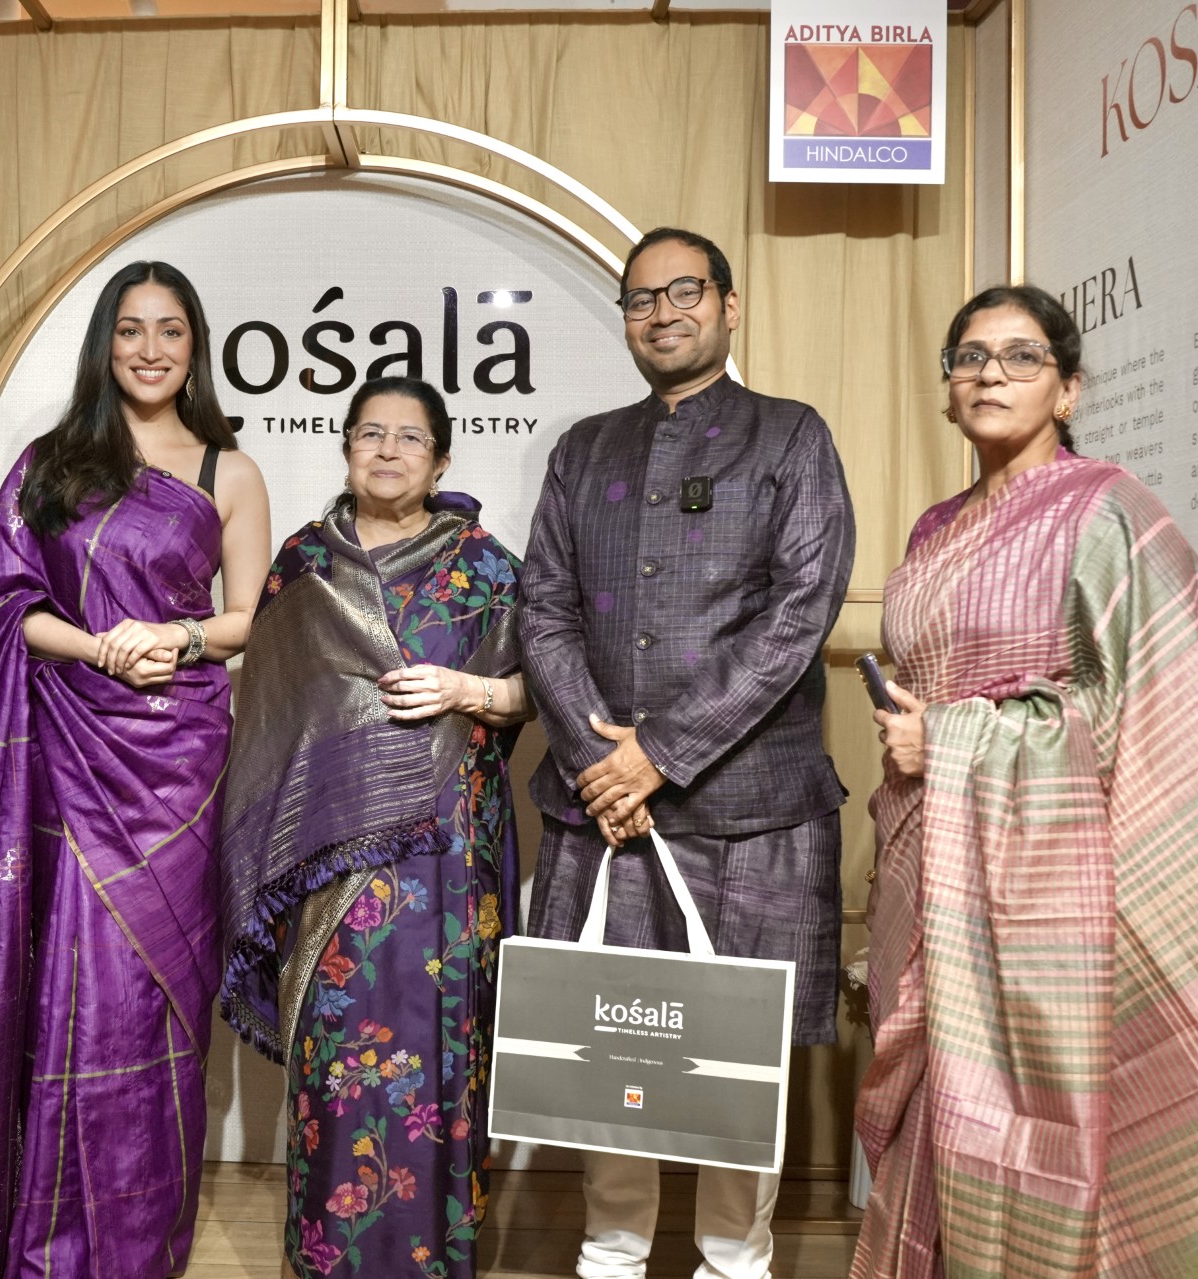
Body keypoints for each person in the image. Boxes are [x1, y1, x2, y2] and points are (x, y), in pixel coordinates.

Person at [851, 285, 1198, 1278]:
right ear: (947, 387)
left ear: (1069, 389)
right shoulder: (935, 528)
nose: (990, 372)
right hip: (934, 870)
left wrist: (948, 739)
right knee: (940, 1135)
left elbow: (1153, 718)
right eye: (970, 356)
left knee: (1066, 1137)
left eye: (1022, 358)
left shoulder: (1112, 513)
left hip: (1053, 903)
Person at [0, 260, 270, 1279]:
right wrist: (101, 646)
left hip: (178, 761)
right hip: (64, 744)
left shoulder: (224, 470)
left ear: (196, 347)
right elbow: (1, 605)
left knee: (154, 992)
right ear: (106, 343)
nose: (151, 350)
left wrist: (180, 641)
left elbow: (244, 616)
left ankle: (139, 1237)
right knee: (69, 977)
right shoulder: (52, 463)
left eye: (172, 332)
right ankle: (52, 1235)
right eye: (131, 330)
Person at [519, 227, 854, 1279]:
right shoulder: (584, 449)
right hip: (601, 805)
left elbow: (801, 616)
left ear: (728, 304)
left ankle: (732, 1260)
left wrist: (658, 753)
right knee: (607, 1045)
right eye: (639, 299)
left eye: (684, 292)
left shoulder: (791, 437)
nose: (662, 313)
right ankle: (611, 1253)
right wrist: (601, 760)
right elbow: (544, 609)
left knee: (733, 1060)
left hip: (751, 806)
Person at [217, 376, 534, 1279]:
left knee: (440, 1059)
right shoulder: (302, 565)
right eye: (370, 432)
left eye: (410, 437)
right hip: (328, 872)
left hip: (445, 863)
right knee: (336, 1070)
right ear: (345, 444)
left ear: (441, 458)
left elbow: (536, 693)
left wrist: (467, 691)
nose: (388, 450)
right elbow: (273, 721)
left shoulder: (487, 566)